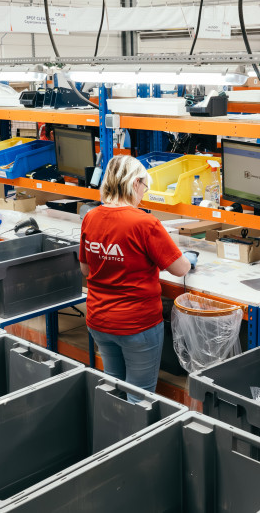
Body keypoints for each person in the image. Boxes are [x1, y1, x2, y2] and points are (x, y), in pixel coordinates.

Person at [80, 155, 193, 402]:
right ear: (134, 183)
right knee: (139, 399)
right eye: (145, 186)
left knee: (113, 388)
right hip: (136, 324)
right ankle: (136, 438)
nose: (144, 192)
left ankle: (114, 435)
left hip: (99, 320)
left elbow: (86, 270)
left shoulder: (90, 216)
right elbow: (181, 269)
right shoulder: (145, 223)